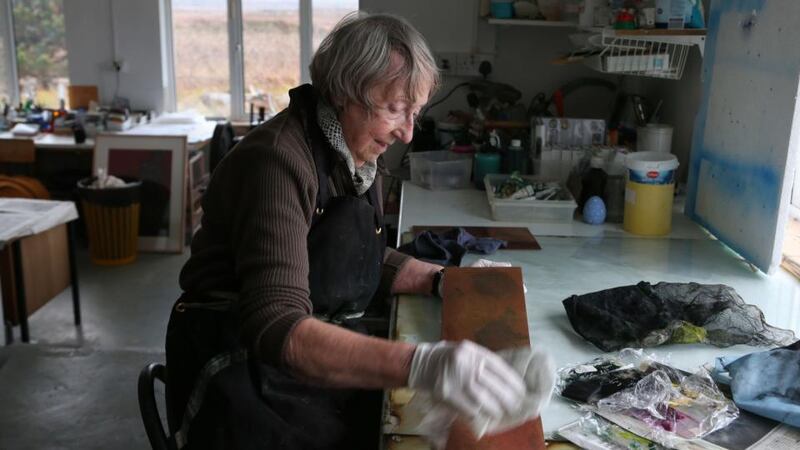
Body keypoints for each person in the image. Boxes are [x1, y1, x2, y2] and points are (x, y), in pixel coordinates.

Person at [165, 13, 527, 450]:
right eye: (394, 109)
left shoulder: (353, 155)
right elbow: (278, 327)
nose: (407, 132)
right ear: (343, 93)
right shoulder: (279, 162)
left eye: (414, 112)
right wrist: (424, 364)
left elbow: (354, 257)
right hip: (240, 372)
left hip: (297, 361)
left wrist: (444, 281)